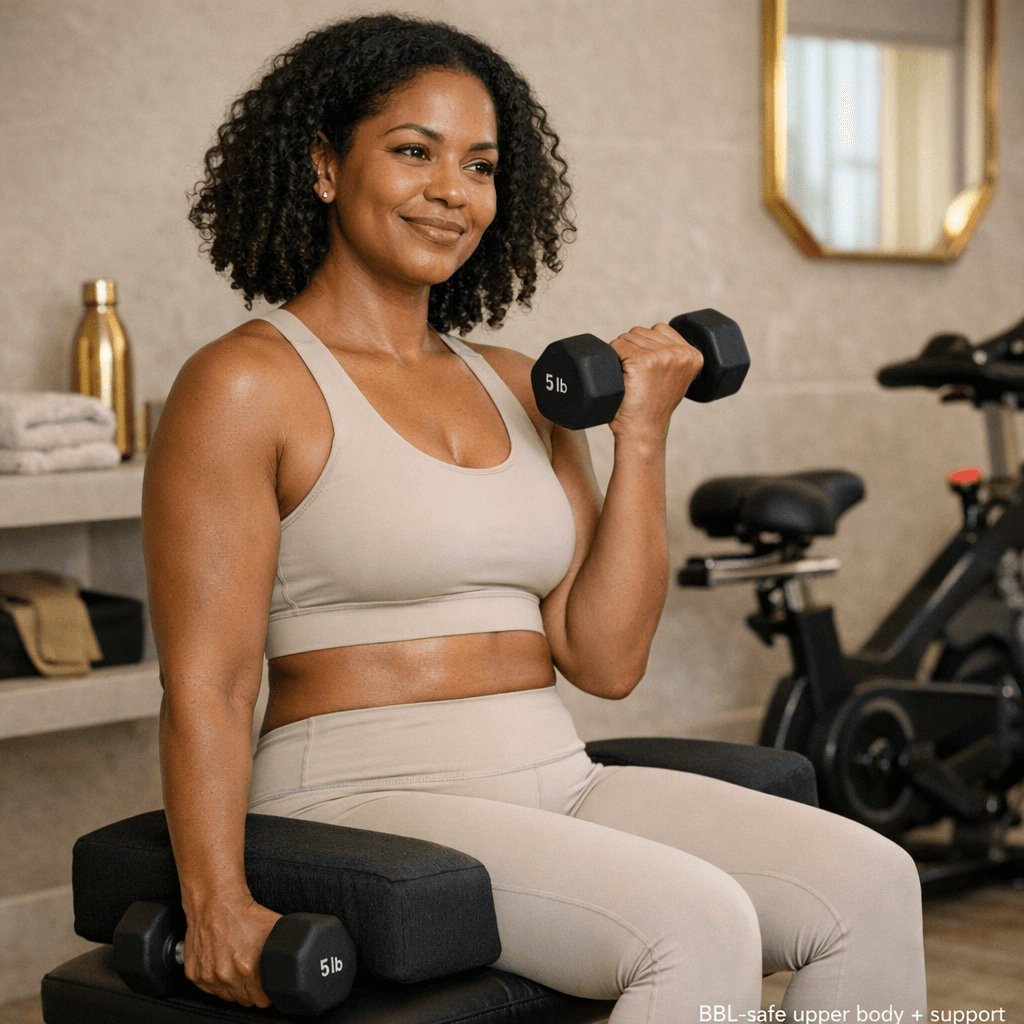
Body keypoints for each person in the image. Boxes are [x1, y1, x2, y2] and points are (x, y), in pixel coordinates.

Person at [143, 14, 927, 1023]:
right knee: (698, 925)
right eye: (412, 152)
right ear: (325, 166)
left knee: (869, 882)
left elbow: (601, 661)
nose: (449, 191)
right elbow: (208, 678)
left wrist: (639, 433)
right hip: (356, 794)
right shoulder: (246, 383)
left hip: (555, 774)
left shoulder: (522, 383)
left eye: (478, 164)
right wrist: (216, 899)